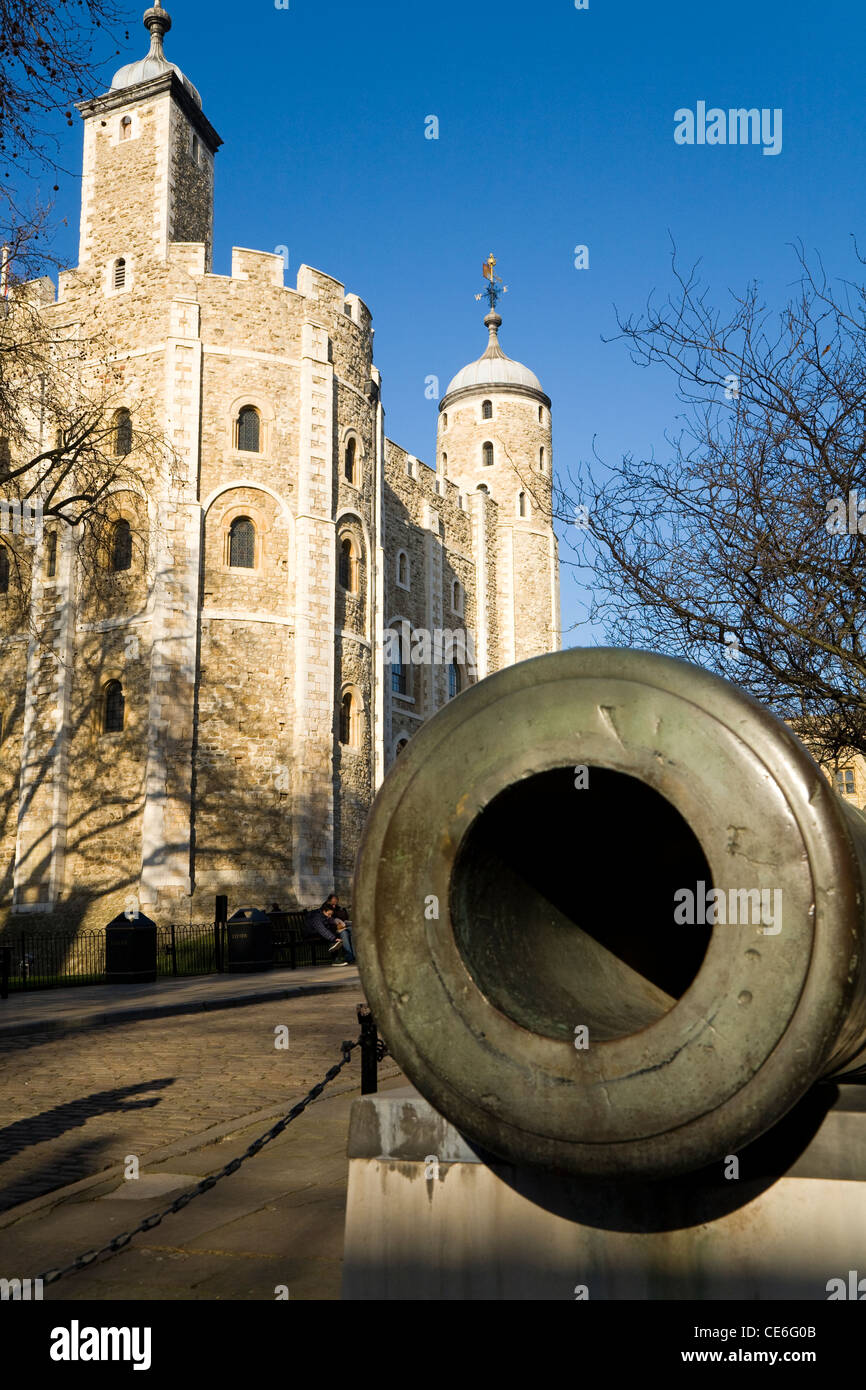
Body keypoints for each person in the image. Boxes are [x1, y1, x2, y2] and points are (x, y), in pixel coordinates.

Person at [319, 894, 356, 965]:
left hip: (341, 926)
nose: (334, 905)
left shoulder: (337, 908)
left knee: (352, 930)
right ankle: (349, 958)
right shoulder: (325, 909)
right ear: (328, 901)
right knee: (344, 933)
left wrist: (343, 921)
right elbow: (326, 923)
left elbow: (343, 918)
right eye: (333, 903)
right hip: (332, 930)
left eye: (336, 903)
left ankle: (355, 956)